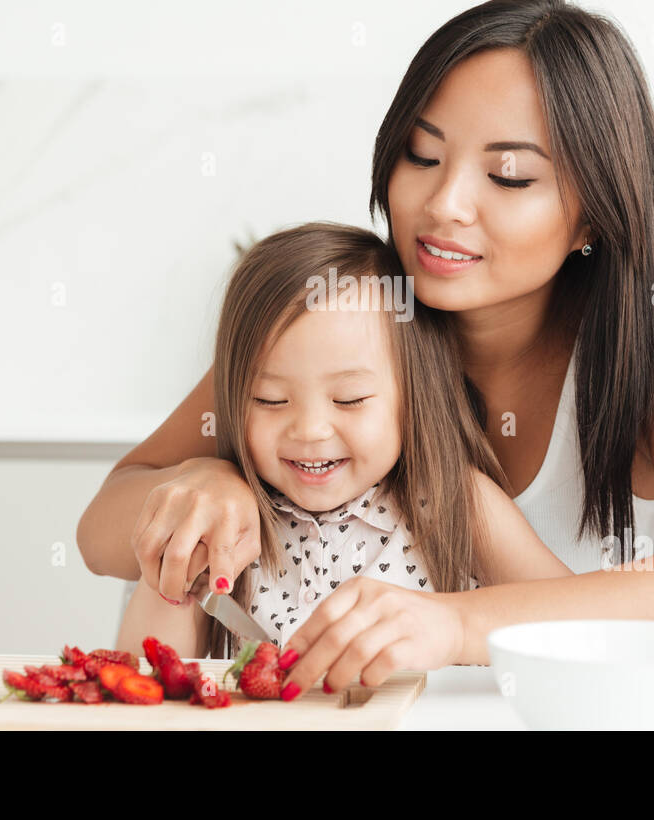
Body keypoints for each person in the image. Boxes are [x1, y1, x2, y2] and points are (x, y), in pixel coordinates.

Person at [79, 0, 654, 716]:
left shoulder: (647, 355)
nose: (445, 202)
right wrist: (205, 480)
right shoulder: (345, 320)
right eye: (422, 155)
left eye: (509, 175)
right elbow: (99, 529)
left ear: (594, 210)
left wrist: (460, 624)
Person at [115, 223, 575, 698]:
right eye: (270, 400)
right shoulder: (227, 525)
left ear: (412, 396)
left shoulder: (455, 499)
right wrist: (171, 569)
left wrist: (459, 630)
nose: (310, 431)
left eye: (350, 399)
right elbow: (144, 687)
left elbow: (573, 623)